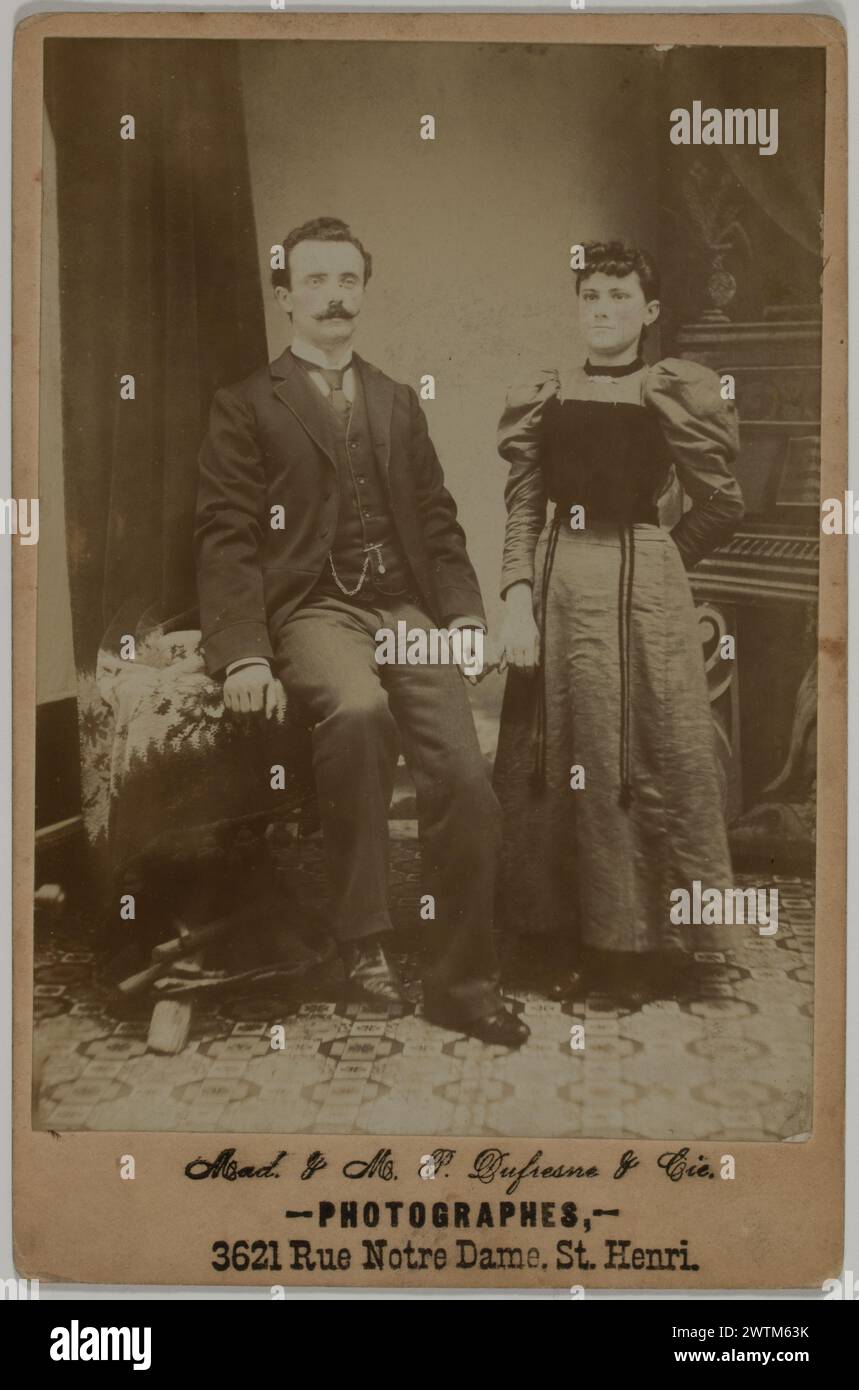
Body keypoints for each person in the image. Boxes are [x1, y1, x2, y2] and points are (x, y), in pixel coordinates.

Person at [194, 216, 528, 1047]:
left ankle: (461, 981)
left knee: (463, 772)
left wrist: (461, 620)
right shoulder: (244, 405)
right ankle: (363, 940)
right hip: (312, 610)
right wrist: (242, 651)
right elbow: (226, 535)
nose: (334, 298)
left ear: (362, 291)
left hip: (405, 611)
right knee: (356, 712)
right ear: (285, 296)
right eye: (315, 281)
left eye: (347, 281)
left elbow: (439, 524)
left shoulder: (394, 400)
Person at [492, 240, 744, 1008]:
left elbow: (722, 503)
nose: (602, 310)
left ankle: (632, 951)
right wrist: (514, 597)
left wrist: (659, 557)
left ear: (650, 310)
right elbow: (522, 506)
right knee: (553, 757)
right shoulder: (545, 391)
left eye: (619, 296)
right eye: (591, 296)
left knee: (631, 766)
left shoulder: (670, 391)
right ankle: (552, 936)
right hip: (555, 590)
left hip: (639, 601)